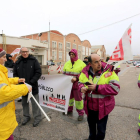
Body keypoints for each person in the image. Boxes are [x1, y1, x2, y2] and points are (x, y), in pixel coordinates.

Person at [79, 54, 120, 140]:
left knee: (101, 132)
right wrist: (81, 88)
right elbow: (80, 82)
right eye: (96, 62)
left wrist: (97, 87)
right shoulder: (84, 72)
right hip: (90, 107)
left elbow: (115, 88)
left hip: (103, 108)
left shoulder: (109, 72)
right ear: (90, 64)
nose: (100, 64)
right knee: (91, 130)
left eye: (100, 60)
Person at [0, 48, 31, 140]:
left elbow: (4, 81)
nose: (6, 59)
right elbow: (3, 92)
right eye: (4, 57)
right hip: (2, 123)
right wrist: (24, 88)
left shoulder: (1, 70)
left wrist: (16, 80)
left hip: (4, 117)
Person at [13, 47, 42, 127]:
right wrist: (19, 82)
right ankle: (26, 116)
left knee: (35, 103)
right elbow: (15, 74)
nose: (25, 53)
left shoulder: (34, 61)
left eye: (26, 52)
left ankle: (37, 118)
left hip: (33, 87)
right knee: (24, 103)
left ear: (28, 52)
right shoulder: (18, 62)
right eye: (23, 52)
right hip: (23, 87)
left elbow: (38, 72)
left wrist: (31, 82)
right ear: (21, 52)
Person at [63, 49, 86, 121]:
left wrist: (76, 78)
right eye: (70, 54)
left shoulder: (82, 64)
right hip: (68, 85)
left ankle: (81, 114)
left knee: (78, 100)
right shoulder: (67, 63)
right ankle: (69, 110)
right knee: (69, 98)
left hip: (77, 85)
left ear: (76, 54)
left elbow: (84, 74)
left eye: (72, 54)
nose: (71, 55)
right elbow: (64, 73)